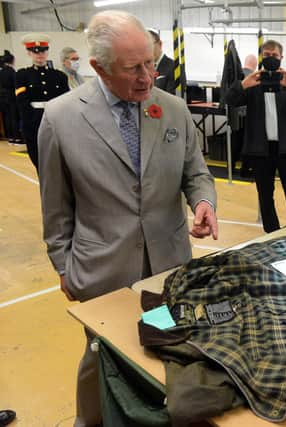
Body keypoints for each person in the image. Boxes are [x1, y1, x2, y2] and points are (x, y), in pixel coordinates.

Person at [38, 10, 218, 426]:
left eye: (151, 63)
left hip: (167, 267)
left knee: (164, 349)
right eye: (133, 68)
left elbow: (196, 172)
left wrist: (204, 201)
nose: (147, 77)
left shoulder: (172, 111)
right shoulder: (61, 118)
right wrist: (64, 267)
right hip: (103, 272)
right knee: (103, 354)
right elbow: (55, 206)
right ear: (98, 67)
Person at [225, 40, 286, 233]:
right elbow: (229, 100)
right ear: (261, 57)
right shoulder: (253, 82)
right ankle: (272, 233)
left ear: (281, 57)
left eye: (274, 55)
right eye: (266, 55)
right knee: (265, 195)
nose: (270, 58)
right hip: (260, 149)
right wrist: (242, 84)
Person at [15, 34, 69, 172]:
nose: (40, 55)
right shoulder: (22, 75)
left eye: (43, 51)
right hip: (34, 123)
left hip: (56, 122)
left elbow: (66, 101)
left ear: (47, 52)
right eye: (35, 51)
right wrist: (31, 122)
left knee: (61, 163)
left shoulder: (59, 76)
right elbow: (22, 102)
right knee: (41, 164)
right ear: (29, 53)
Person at [0, 50, 20, 143]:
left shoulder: (1, 71)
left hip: (2, 96)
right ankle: (17, 137)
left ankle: (10, 137)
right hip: (11, 95)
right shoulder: (11, 71)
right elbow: (15, 84)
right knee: (14, 117)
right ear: (12, 61)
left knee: (7, 117)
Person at [148, 29, 175, 95]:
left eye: (149, 45)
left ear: (160, 44)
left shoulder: (174, 67)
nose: (147, 50)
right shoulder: (143, 67)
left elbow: (172, 99)